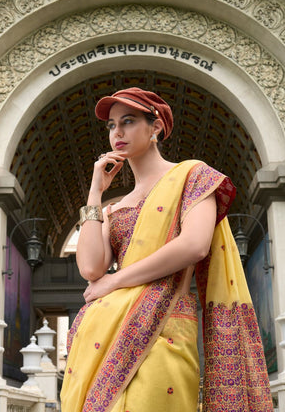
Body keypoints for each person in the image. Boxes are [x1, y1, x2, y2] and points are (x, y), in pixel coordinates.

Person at [60, 87, 273, 412]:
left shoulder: (193, 175)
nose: (117, 132)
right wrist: (95, 192)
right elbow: (90, 269)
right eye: (112, 125)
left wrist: (115, 282)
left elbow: (194, 245)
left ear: (156, 127)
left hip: (166, 325)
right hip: (104, 332)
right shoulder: (114, 208)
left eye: (128, 121)